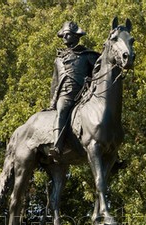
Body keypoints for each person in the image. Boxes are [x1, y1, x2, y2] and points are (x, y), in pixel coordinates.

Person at [48, 21, 99, 159]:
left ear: (76, 36)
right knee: (62, 110)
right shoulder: (58, 59)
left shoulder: (87, 55)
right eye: (63, 35)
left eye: (67, 34)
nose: (64, 37)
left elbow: (99, 73)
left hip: (85, 94)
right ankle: (57, 145)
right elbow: (55, 83)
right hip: (66, 95)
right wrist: (52, 103)